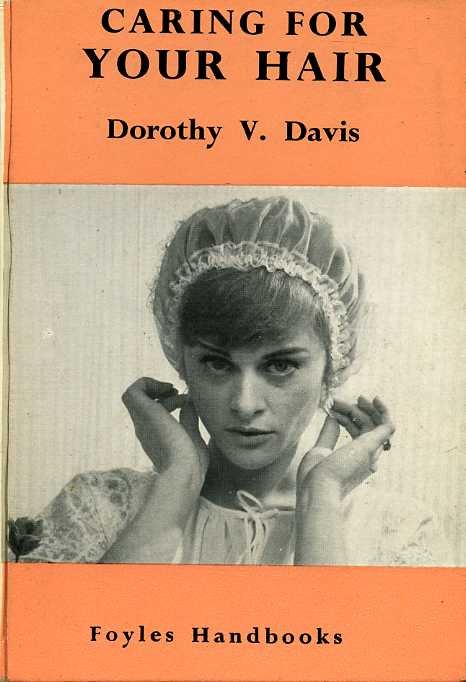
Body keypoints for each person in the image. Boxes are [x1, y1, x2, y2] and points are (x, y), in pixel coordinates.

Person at [14, 197, 449, 565]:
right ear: (182, 361)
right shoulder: (99, 507)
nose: (244, 403)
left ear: (331, 369)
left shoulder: (398, 533)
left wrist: (321, 501)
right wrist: (179, 480)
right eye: (217, 364)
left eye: (280, 365)